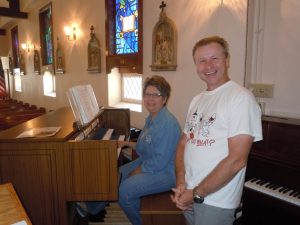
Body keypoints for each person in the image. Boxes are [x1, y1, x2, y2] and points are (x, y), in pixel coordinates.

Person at [171, 36, 262, 225]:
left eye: (215, 58)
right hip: (189, 192)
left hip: (215, 200)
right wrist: (181, 182)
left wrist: (196, 193)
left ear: (227, 60)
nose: (208, 66)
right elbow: (183, 143)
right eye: (201, 61)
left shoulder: (240, 98)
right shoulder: (197, 99)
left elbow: (237, 160)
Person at [73, 75, 181, 225]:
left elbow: (159, 162)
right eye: (147, 94)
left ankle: (139, 222)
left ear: (164, 98)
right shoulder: (152, 118)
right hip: (149, 162)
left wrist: (137, 171)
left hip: (165, 172)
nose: (150, 99)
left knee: (124, 191)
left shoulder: (167, 124)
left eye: (156, 95)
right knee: (113, 175)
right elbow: (143, 146)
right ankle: (93, 210)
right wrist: (124, 143)